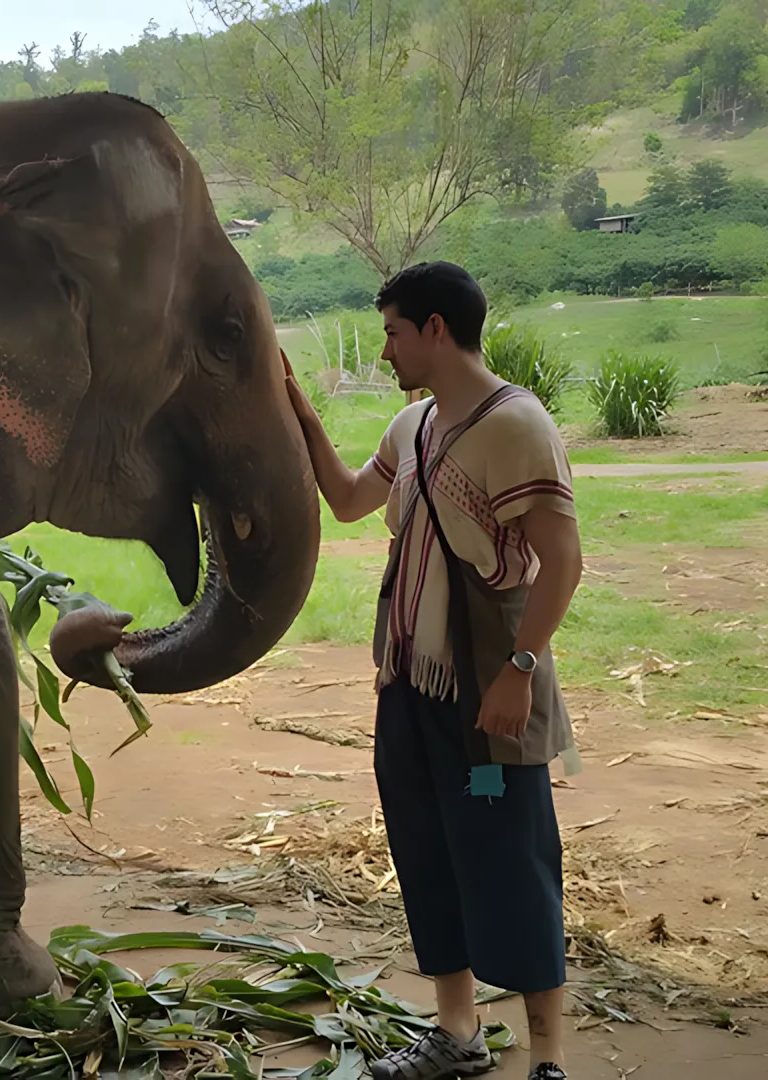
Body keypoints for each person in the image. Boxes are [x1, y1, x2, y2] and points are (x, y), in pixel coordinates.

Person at [284, 262, 584, 1080]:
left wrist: (520, 669)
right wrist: (301, 413)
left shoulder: (516, 425)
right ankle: (457, 1034)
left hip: (488, 694)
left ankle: (548, 1058)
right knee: (428, 855)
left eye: (391, 332)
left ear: (436, 330)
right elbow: (348, 500)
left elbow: (562, 560)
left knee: (511, 858)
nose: (385, 350)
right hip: (410, 690)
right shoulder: (411, 427)